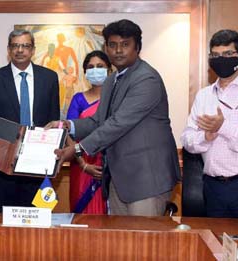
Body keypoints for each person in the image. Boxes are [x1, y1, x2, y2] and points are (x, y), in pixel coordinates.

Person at [49, 19, 180, 216]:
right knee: (121, 243)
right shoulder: (112, 80)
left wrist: (76, 149)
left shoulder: (146, 78)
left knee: (142, 243)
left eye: (125, 44)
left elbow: (118, 124)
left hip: (146, 179)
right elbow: (97, 121)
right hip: (119, 179)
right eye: (112, 45)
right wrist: (66, 124)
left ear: (137, 48)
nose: (118, 50)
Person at [181, 29, 238, 219]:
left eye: (227, 54)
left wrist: (223, 127)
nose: (221, 59)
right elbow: (187, 139)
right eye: (215, 55)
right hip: (213, 186)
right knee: (215, 245)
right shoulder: (204, 95)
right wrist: (205, 137)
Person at [0, 29, 60, 209]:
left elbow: (53, 119)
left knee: (39, 219)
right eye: (15, 46)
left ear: (32, 50)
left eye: (25, 46)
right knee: (6, 221)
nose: (20, 50)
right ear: (8, 50)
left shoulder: (49, 78)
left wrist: (53, 159)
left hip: (40, 164)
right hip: (4, 165)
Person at [65, 50, 111, 214]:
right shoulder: (78, 99)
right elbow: (68, 133)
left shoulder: (116, 99)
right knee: (82, 216)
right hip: (81, 163)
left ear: (109, 70)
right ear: (85, 73)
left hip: (110, 164)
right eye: (90, 67)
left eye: (100, 66)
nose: (95, 70)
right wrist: (83, 165)